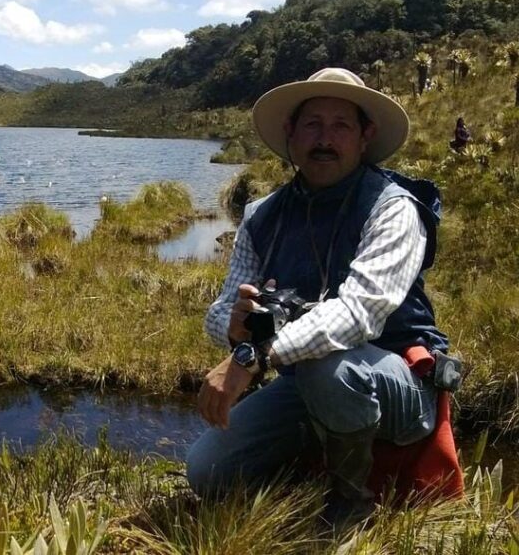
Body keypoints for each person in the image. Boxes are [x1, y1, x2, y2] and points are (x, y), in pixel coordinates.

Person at [186, 67, 450, 528]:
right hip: (303, 382)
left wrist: (250, 356)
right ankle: (310, 460)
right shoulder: (262, 217)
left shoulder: (393, 208)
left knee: (332, 368)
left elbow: (358, 313)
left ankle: (352, 504)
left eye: (341, 125)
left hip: (396, 382)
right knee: (207, 471)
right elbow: (223, 305)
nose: (324, 138)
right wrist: (232, 324)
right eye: (312, 124)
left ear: (365, 137)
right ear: (290, 134)